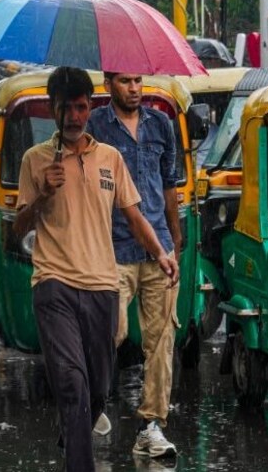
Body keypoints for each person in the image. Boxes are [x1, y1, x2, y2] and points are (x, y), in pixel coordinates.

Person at [14, 67, 178, 472]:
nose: (74, 116)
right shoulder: (35, 160)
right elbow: (15, 231)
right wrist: (42, 194)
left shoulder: (110, 157)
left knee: (100, 387)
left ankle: (74, 428)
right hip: (54, 284)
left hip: (102, 284)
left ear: (90, 108)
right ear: (52, 109)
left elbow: (135, 215)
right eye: (65, 108)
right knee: (73, 382)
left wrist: (161, 252)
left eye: (80, 108)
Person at [85, 71, 181, 458]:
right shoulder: (95, 126)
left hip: (158, 249)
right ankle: (89, 402)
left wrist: (175, 242)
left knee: (161, 342)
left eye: (139, 80)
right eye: (125, 81)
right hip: (113, 247)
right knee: (113, 330)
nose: (135, 88)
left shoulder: (161, 124)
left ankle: (150, 426)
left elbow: (170, 184)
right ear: (109, 84)